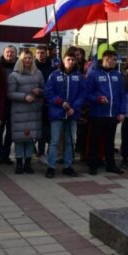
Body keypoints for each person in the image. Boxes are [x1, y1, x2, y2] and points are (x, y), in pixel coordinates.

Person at [44, 49, 86, 178]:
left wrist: (75, 107)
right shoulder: (55, 75)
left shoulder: (79, 76)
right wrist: (60, 102)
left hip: (72, 113)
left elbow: (83, 94)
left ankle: (68, 166)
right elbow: (49, 93)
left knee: (70, 141)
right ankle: (51, 166)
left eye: (73, 60)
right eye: (68, 59)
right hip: (57, 113)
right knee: (55, 141)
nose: (71, 62)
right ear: (63, 60)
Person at [85, 50, 126, 175]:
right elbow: (87, 94)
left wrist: (122, 112)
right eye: (113, 59)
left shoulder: (118, 75)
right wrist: (98, 99)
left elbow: (122, 95)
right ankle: (93, 165)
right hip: (97, 114)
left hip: (112, 114)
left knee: (110, 142)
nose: (115, 62)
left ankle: (111, 165)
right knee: (95, 141)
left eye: (115, 59)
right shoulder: (93, 74)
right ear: (106, 59)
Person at [8, 49, 45, 174]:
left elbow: (44, 89)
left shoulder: (38, 73)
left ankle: (28, 163)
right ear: (21, 59)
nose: (28, 60)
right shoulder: (14, 75)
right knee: (20, 139)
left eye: (30, 58)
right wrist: (24, 96)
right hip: (19, 111)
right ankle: (19, 163)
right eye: (25, 58)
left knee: (30, 138)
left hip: (34, 110)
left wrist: (39, 91)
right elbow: (10, 93)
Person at [0, 45, 17, 166]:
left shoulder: (19, 68)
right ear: (3, 53)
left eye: (12, 52)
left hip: (14, 103)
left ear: (16, 54)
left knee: (11, 131)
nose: (10, 54)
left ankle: (6, 155)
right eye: (8, 52)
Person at [34, 45, 53, 157]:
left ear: (46, 54)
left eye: (43, 53)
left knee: (47, 128)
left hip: (48, 102)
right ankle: (36, 150)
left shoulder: (52, 68)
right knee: (36, 127)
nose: (41, 55)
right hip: (34, 102)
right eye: (39, 53)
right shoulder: (32, 67)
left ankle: (46, 151)